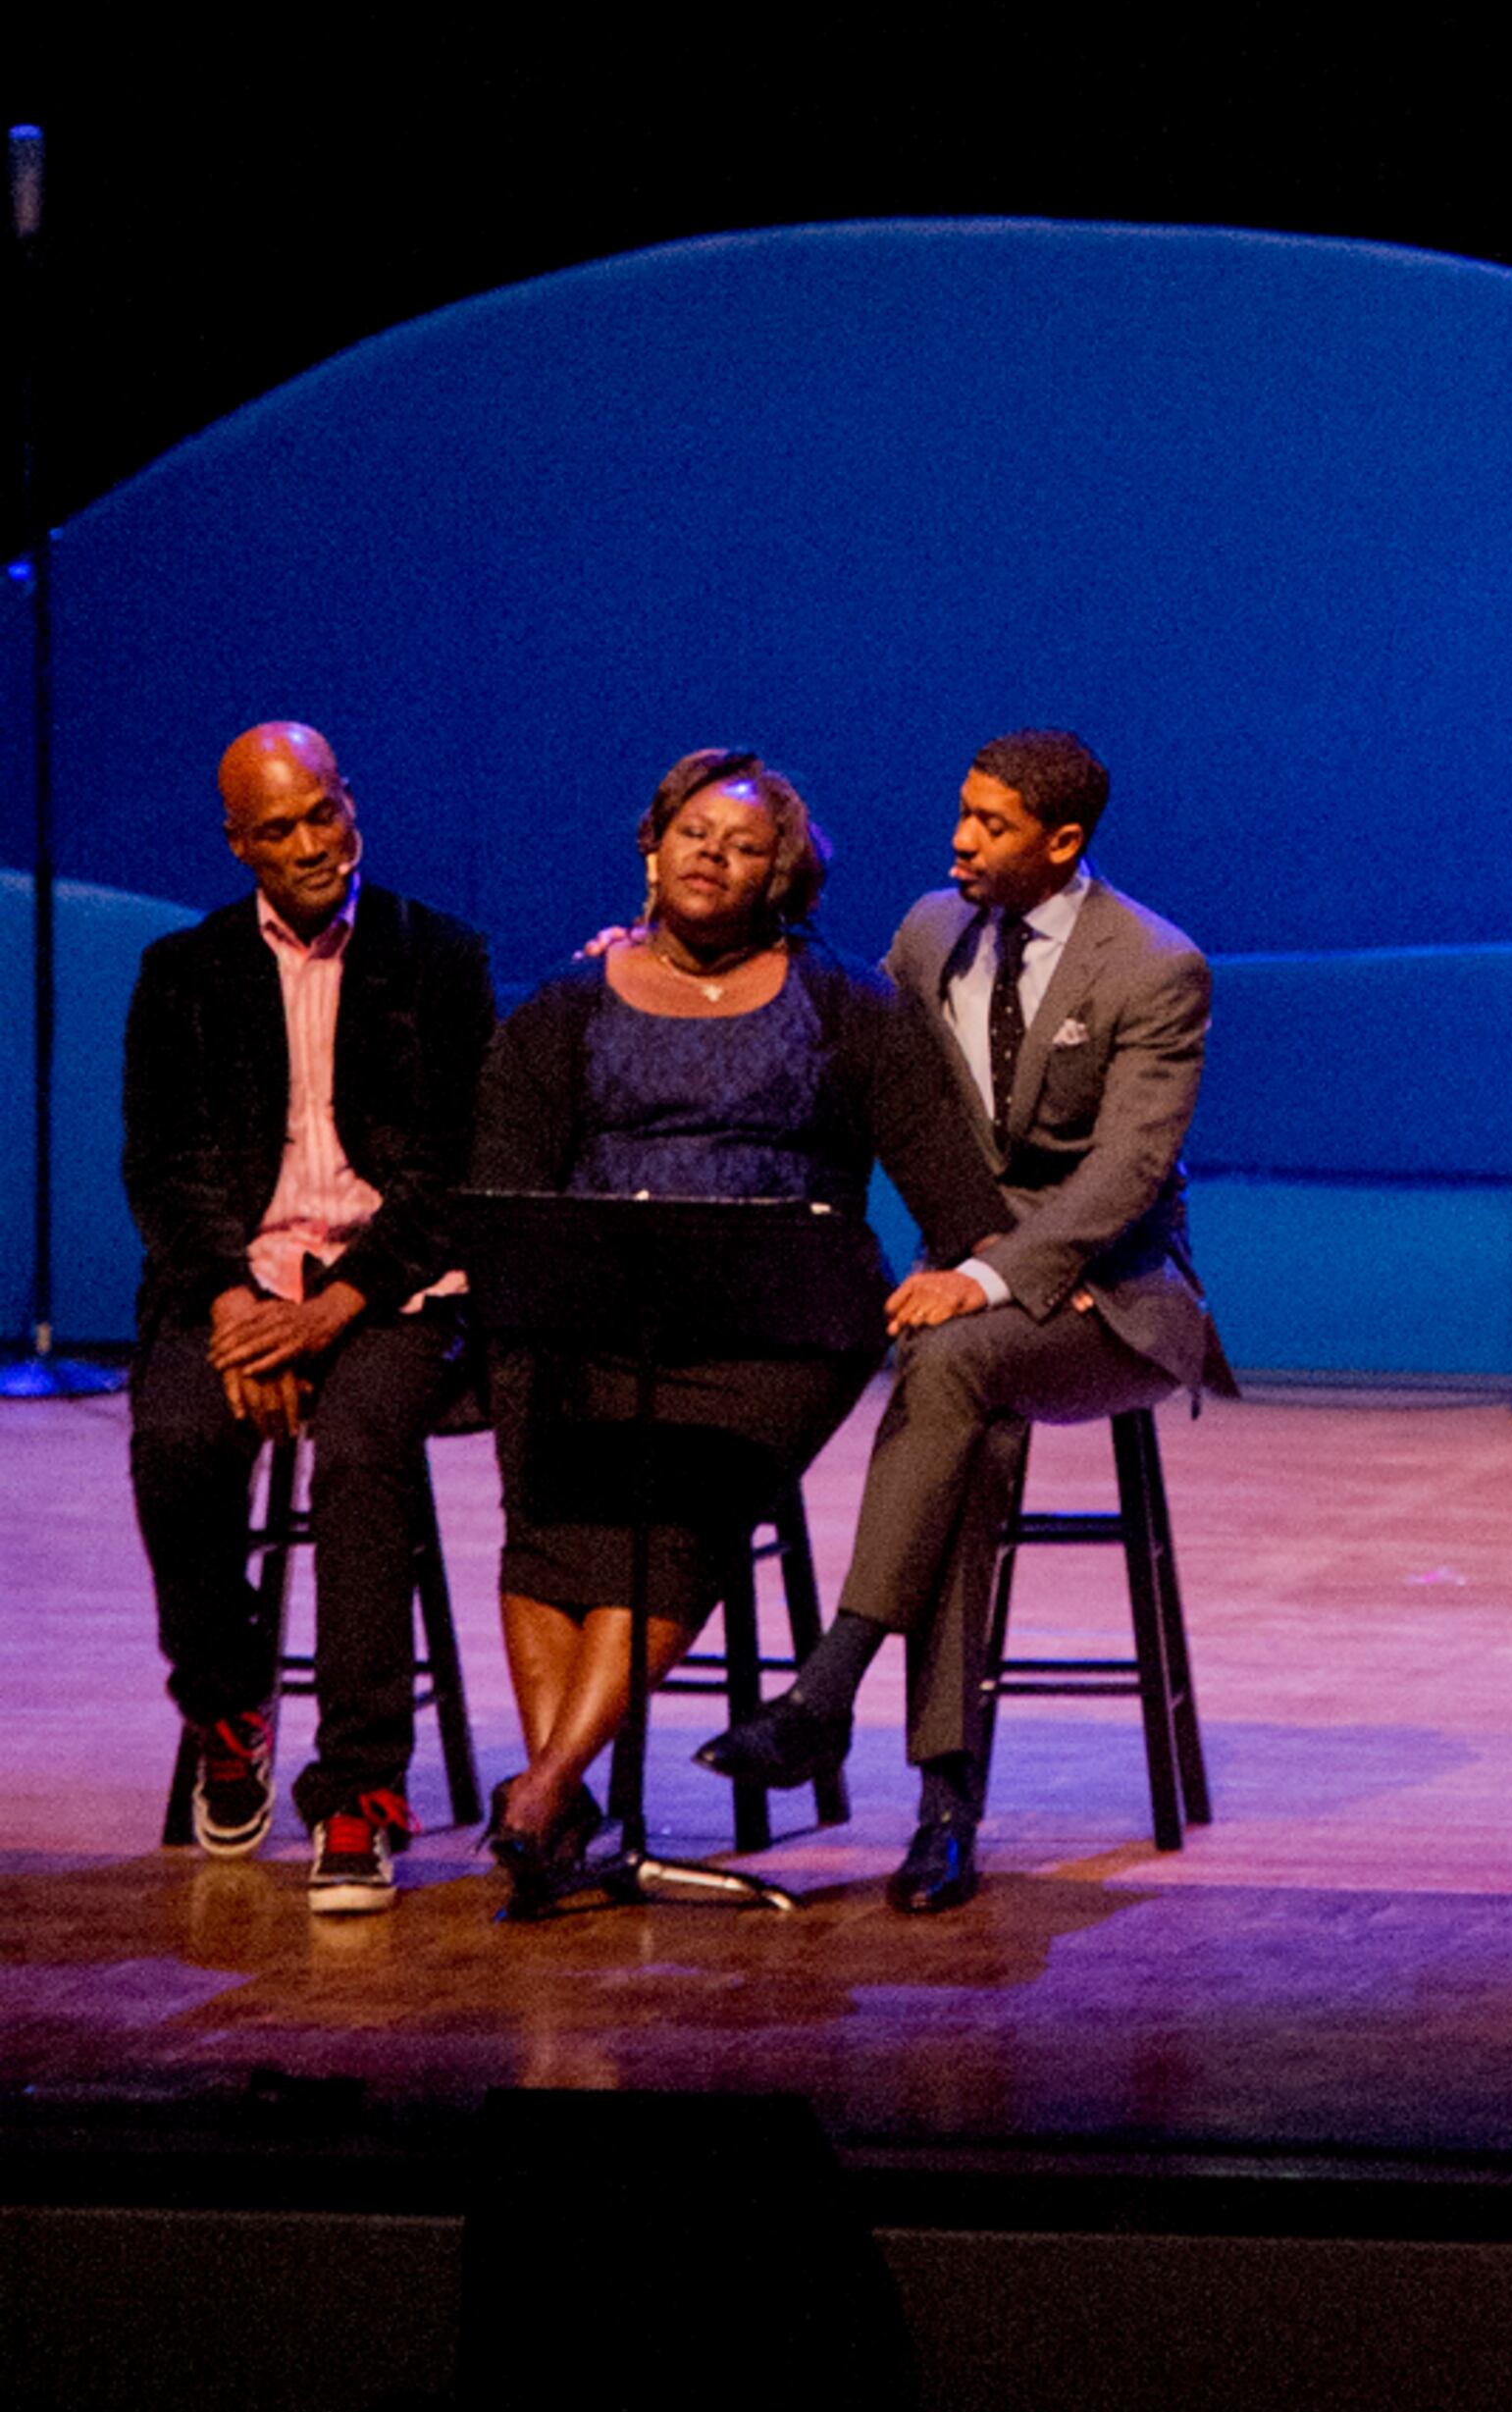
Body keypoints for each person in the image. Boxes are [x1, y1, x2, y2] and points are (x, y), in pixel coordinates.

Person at [702, 728, 1234, 1914]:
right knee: (965, 1417)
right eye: (962, 813)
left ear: (1063, 843)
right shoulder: (930, 932)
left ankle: (833, 1687)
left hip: (1116, 1298)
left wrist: (986, 1275)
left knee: (953, 1356)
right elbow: (836, 1042)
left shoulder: (1155, 967)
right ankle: (944, 1803)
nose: (959, 841)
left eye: (989, 825)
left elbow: (1124, 1178)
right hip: (973, 1313)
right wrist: (661, 967)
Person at [469, 748, 1000, 1914]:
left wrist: (954, 1278)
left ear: (785, 876)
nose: (712, 852)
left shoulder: (846, 1004)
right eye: (692, 831)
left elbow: (955, 1197)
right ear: (651, 852)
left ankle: (546, 1787)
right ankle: (564, 1803)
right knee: (555, 1508)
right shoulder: (563, 1010)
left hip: (776, 1328)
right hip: (591, 1320)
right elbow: (505, 1184)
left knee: (677, 1502)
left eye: (743, 842)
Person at [119, 719, 495, 1907]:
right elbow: (163, 1166)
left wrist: (328, 1311)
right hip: (241, 1284)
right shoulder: (183, 972)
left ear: (350, 804)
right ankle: (228, 1706)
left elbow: (451, 1173)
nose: (309, 844)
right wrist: (237, 1305)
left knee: (363, 1453)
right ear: (241, 846)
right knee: (177, 1438)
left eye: (320, 813)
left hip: (387, 1289)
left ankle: (361, 1791)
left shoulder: (437, 957)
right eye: (277, 830)